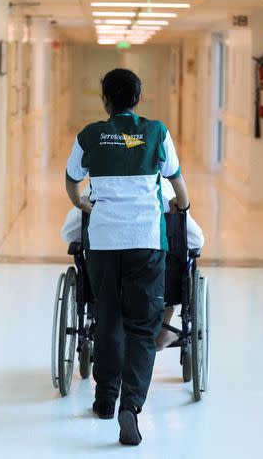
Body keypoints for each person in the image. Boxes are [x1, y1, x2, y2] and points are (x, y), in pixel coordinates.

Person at [65, 68, 190, 446]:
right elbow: (179, 187)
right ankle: (130, 407)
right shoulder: (156, 133)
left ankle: (105, 399)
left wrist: (82, 203)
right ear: (138, 98)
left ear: (105, 100)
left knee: (107, 316)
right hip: (145, 243)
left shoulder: (89, 134)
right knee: (140, 327)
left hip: (102, 243)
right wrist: (181, 205)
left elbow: (72, 180)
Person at [60, 178, 205, 351]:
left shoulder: (94, 189)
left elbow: (69, 234)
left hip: (106, 284)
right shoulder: (165, 190)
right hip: (155, 287)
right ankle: (162, 329)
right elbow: (197, 240)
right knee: (174, 267)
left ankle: (109, 327)